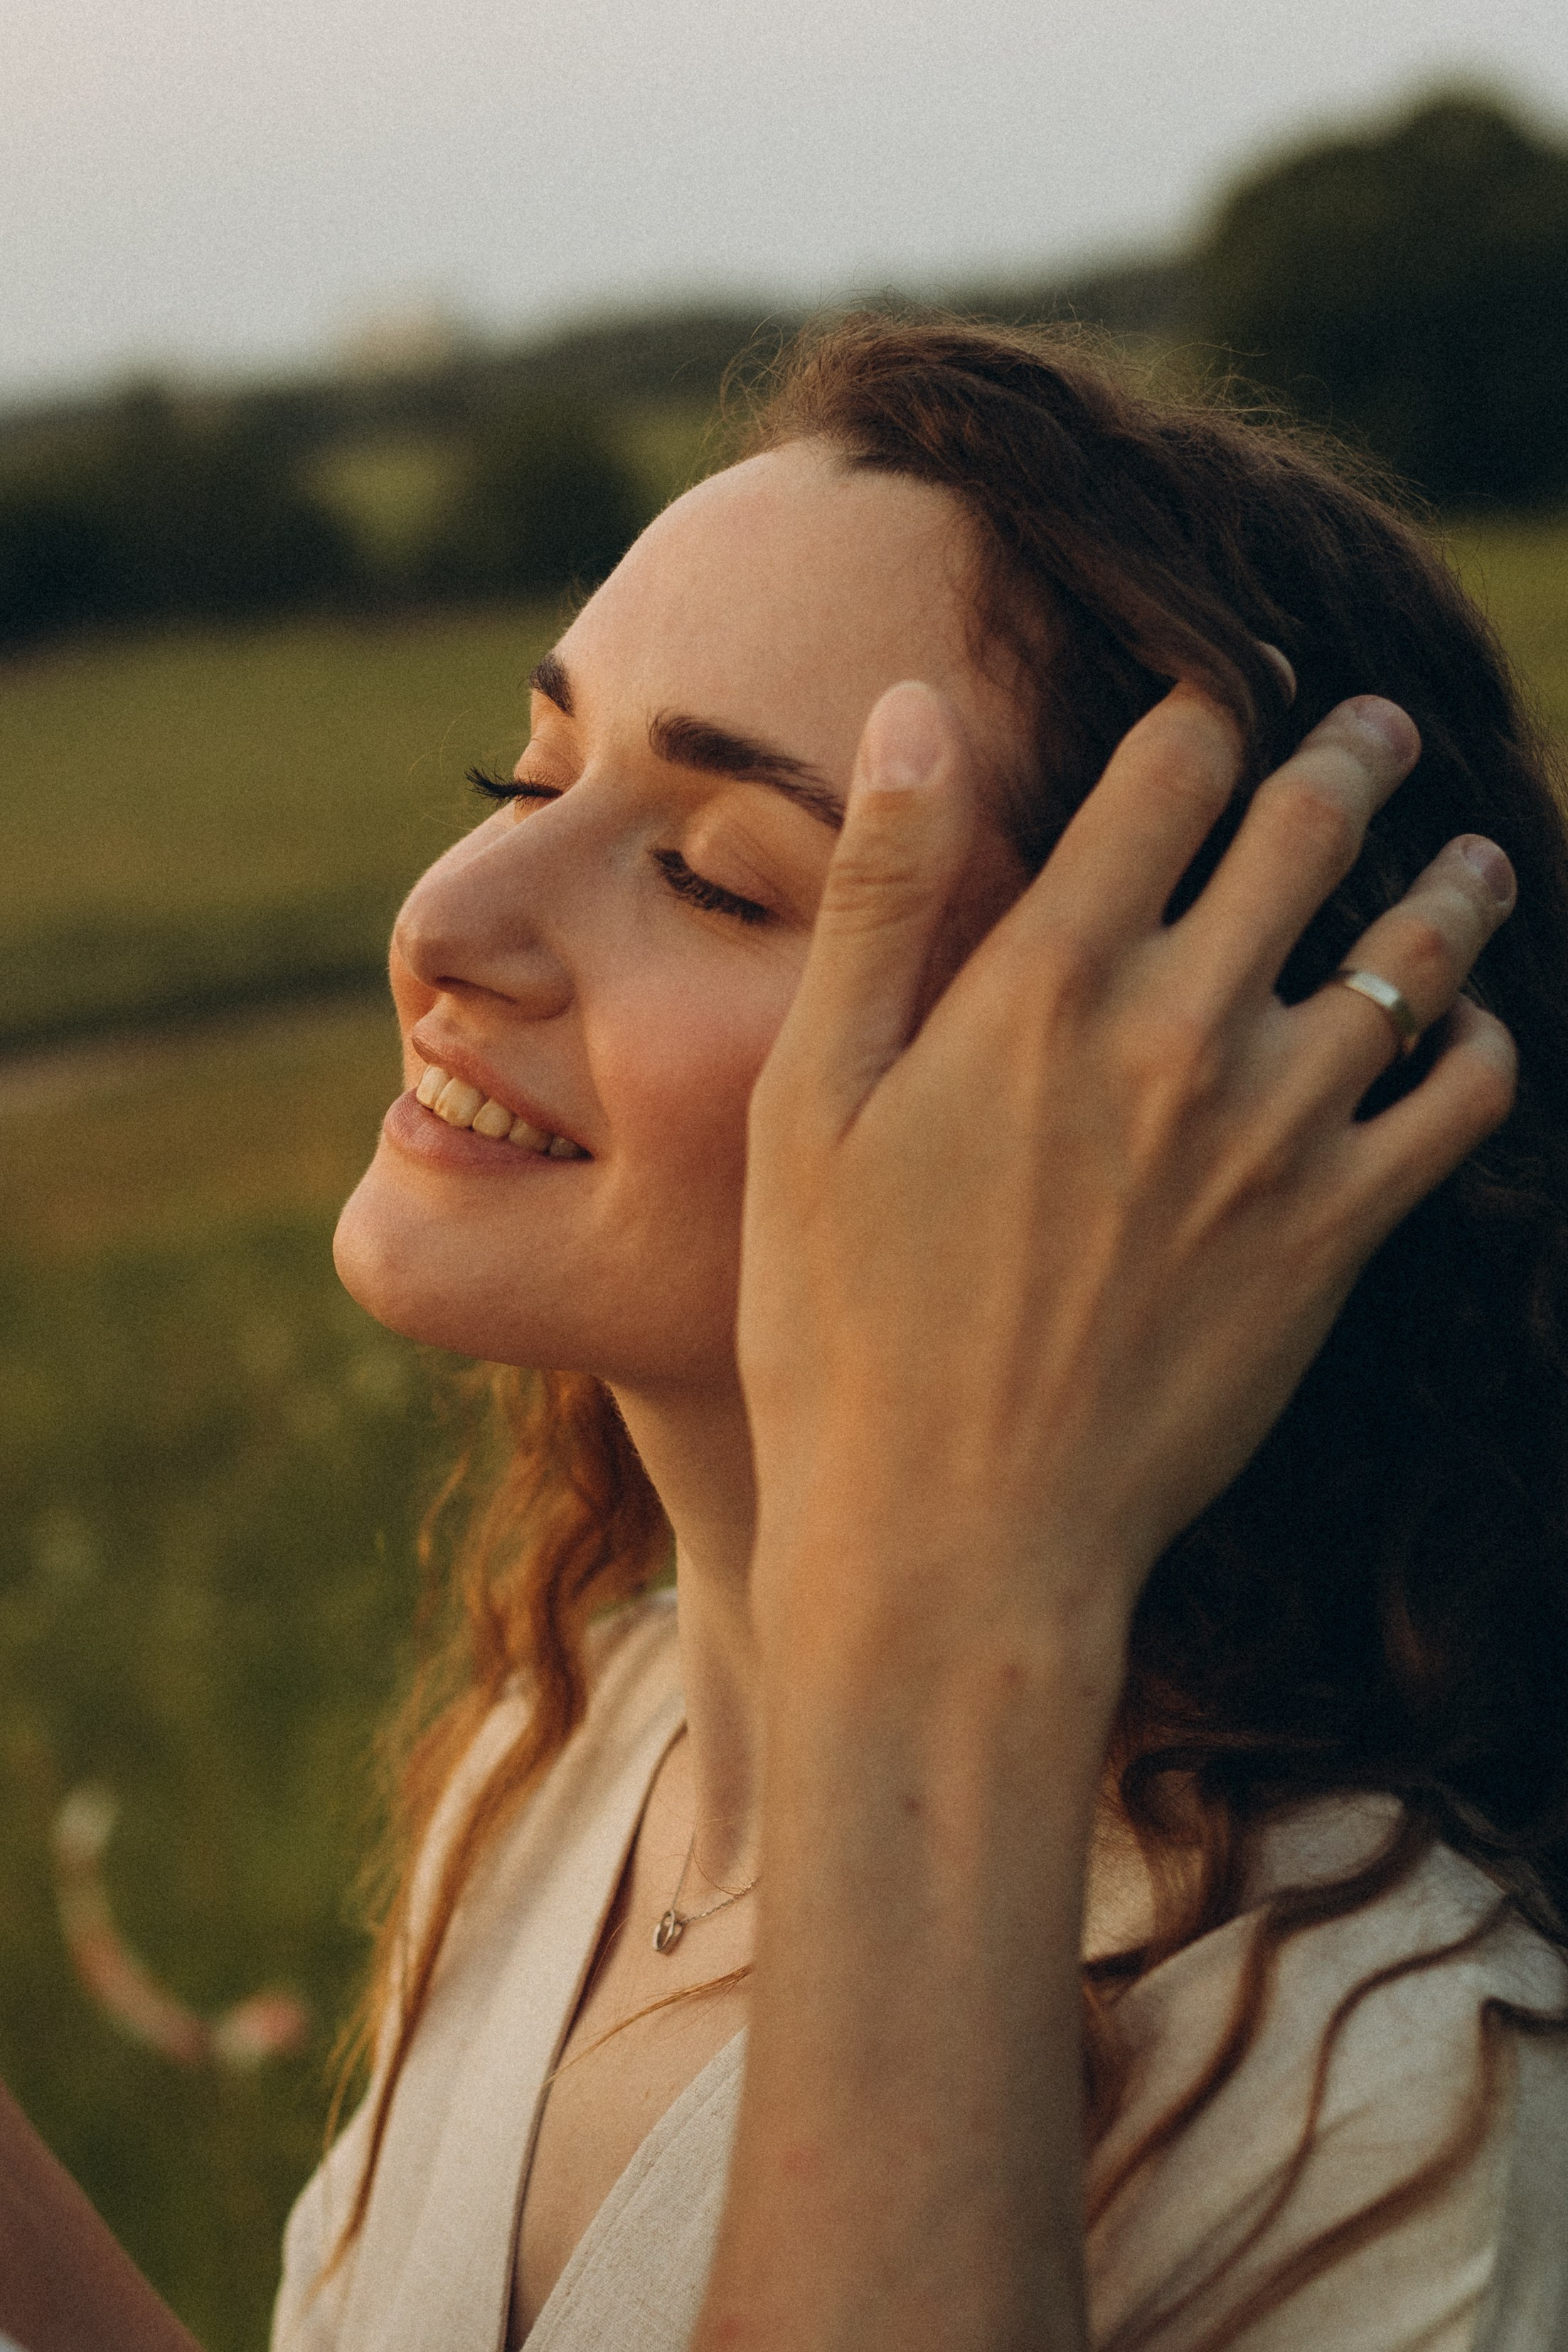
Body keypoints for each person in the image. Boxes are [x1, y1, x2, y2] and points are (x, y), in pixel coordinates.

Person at [3, 314, 1567, 2352]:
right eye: (527, 772)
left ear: (1172, 1123)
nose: (446, 921)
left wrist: (946, 1587)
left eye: (722, 878)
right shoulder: (571, 1757)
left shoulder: (1384, 2101)